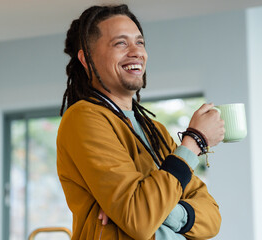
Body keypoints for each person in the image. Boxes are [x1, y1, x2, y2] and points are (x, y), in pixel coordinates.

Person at [57, 4, 224, 240]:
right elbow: (139, 219)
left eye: (140, 42)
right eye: (121, 43)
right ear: (87, 58)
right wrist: (194, 141)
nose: (136, 52)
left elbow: (212, 219)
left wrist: (165, 212)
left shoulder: (155, 130)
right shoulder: (84, 118)